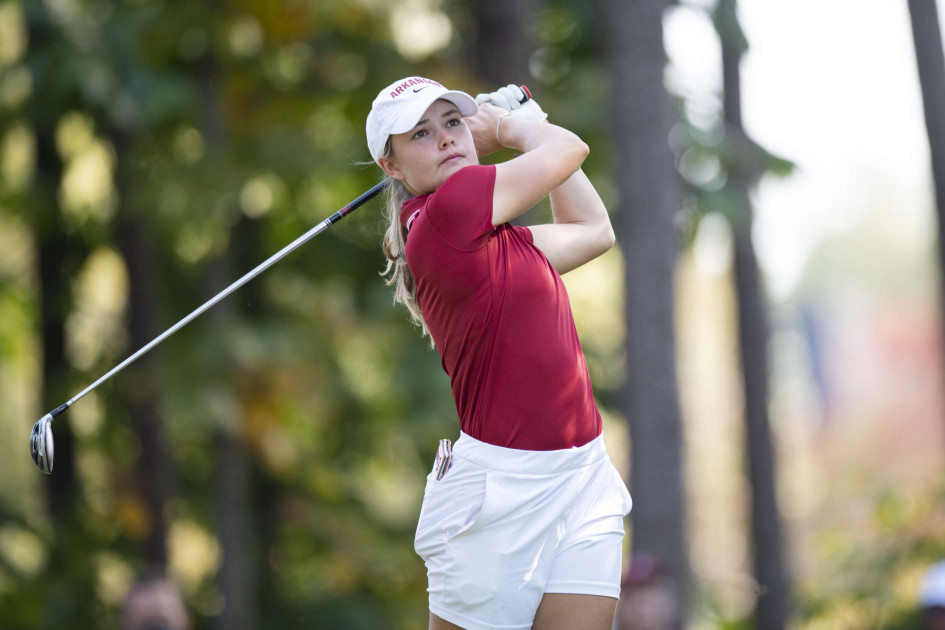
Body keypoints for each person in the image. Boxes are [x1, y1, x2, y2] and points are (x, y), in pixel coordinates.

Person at [366, 75, 632, 630]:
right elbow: (571, 148)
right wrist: (511, 128)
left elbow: (593, 229)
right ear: (392, 167)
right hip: (498, 495)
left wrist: (529, 127)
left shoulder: (501, 237)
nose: (446, 139)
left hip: (582, 474)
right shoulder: (447, 214)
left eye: (453, 123)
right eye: (421, 134)